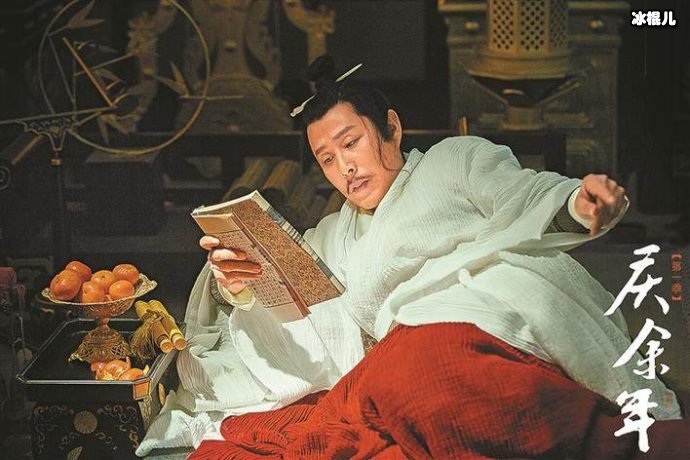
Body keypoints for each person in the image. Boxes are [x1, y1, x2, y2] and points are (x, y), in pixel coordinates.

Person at [137, 57, 685, 458]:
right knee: (386, 403)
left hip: (480, 328)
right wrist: (240, 286)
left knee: (422, 377)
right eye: (326, 159)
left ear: (391, 129)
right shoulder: (332, 235)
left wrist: (579, 203)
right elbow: (309, 324)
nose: (345, 168)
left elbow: (525, 194)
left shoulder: (453, 162)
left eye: (351, 143)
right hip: (397, 368)